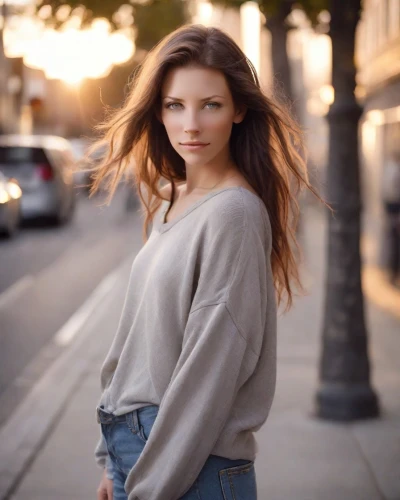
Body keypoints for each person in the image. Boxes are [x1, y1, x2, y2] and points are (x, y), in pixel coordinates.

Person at [89, 24, 323, 500]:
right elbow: (136, 338)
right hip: (142, 452)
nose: (190, 124)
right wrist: (111, 459)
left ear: (238, 109)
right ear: (158, 110)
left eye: (210, 105)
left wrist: (150, 484)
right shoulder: (173, 199)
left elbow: (208, 374)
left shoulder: (234, 213)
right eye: (175, 105)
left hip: (188, 467)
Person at [381, 151, 400, 285]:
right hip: (393, 210)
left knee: (394, 245)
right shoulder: (393, 169)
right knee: (394, 244)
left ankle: (393, 274)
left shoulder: (391, 169)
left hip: (393, 210)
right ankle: (392, 274)